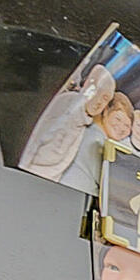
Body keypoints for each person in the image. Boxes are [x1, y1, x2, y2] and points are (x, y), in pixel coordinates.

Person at [20, 59, 118, 189]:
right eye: (99, 92)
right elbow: (34, 141)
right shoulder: (66, 104)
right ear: (89, 85)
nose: (100, 102)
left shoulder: (85, 122)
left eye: (106, 99)